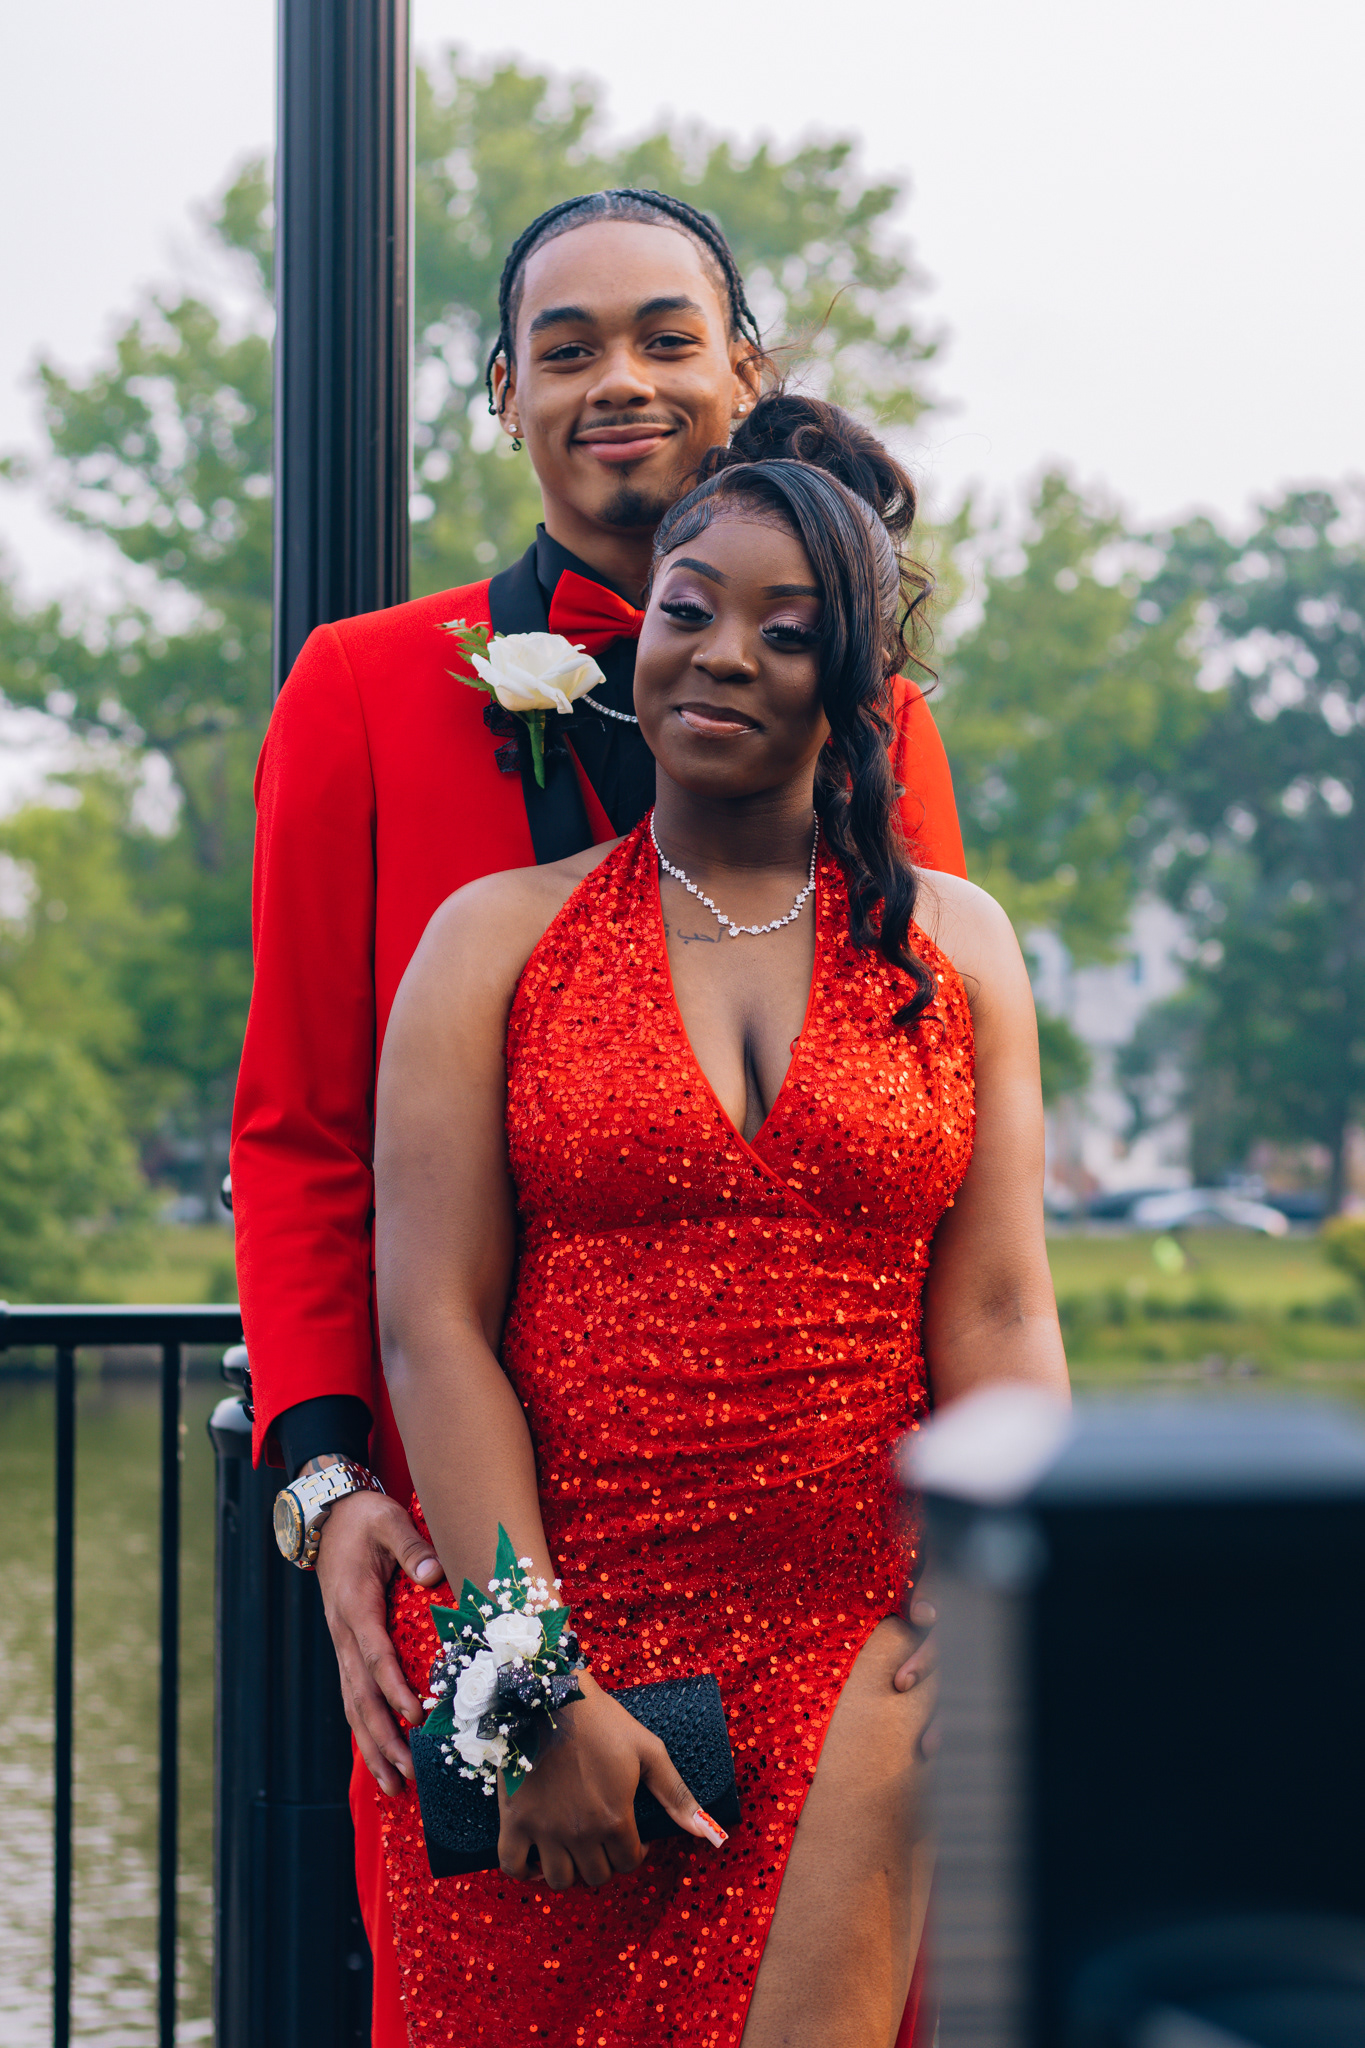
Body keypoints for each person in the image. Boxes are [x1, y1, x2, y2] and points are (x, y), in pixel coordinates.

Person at [230, 189, 967, 2039]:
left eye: (663, 336)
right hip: (495, 1553)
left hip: (846, 1589)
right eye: (564, 348)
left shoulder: (886, 715)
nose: (617, 379)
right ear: (504, 394)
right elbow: (300, 1133)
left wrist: (993, 1561)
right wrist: (327, 1483)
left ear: (747, 369)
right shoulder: (361, 690)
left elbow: (938, 1120)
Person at [372, 454, 1070, 2046]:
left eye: (788, 629)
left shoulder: (955, 945)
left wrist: (1008, 1568)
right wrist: (527, 1679)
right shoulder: (493, 937)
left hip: (862, 1629)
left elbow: (999, 1305)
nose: (725, 655)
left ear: (856, 684)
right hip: (555, 1614)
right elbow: (432, 1326)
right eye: (689, 611)